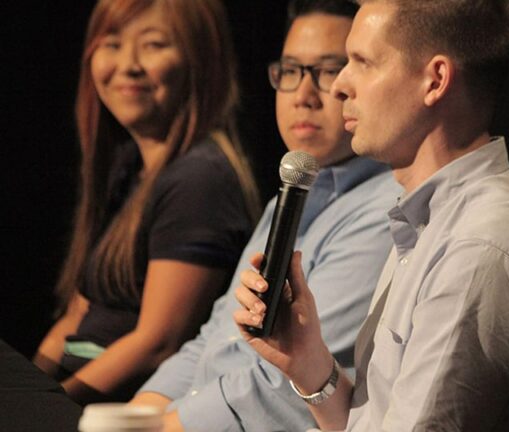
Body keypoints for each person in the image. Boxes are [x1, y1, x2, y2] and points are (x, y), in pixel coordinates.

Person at [234, 1, 509, 430]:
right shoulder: (431, 218)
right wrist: (307, 362)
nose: (340, 87)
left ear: (435, 80)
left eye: (362, 63)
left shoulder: (478, 249)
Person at [131, 1, 401, 431]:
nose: (304, 96)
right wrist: (137, 414)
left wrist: (161, 428)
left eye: (329, 71)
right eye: (290, 71)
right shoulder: (291, 195)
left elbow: (281, 384)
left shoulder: (386, 209)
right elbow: (214, 339)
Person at [32, 0, 260, 404]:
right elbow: (76, 316)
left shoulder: (199, 179)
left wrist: (43, 409)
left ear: (200, 59)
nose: (128, 65)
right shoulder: (129, 167)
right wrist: (24, 394)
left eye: (153, 44)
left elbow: (156, 343)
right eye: (112, 44)